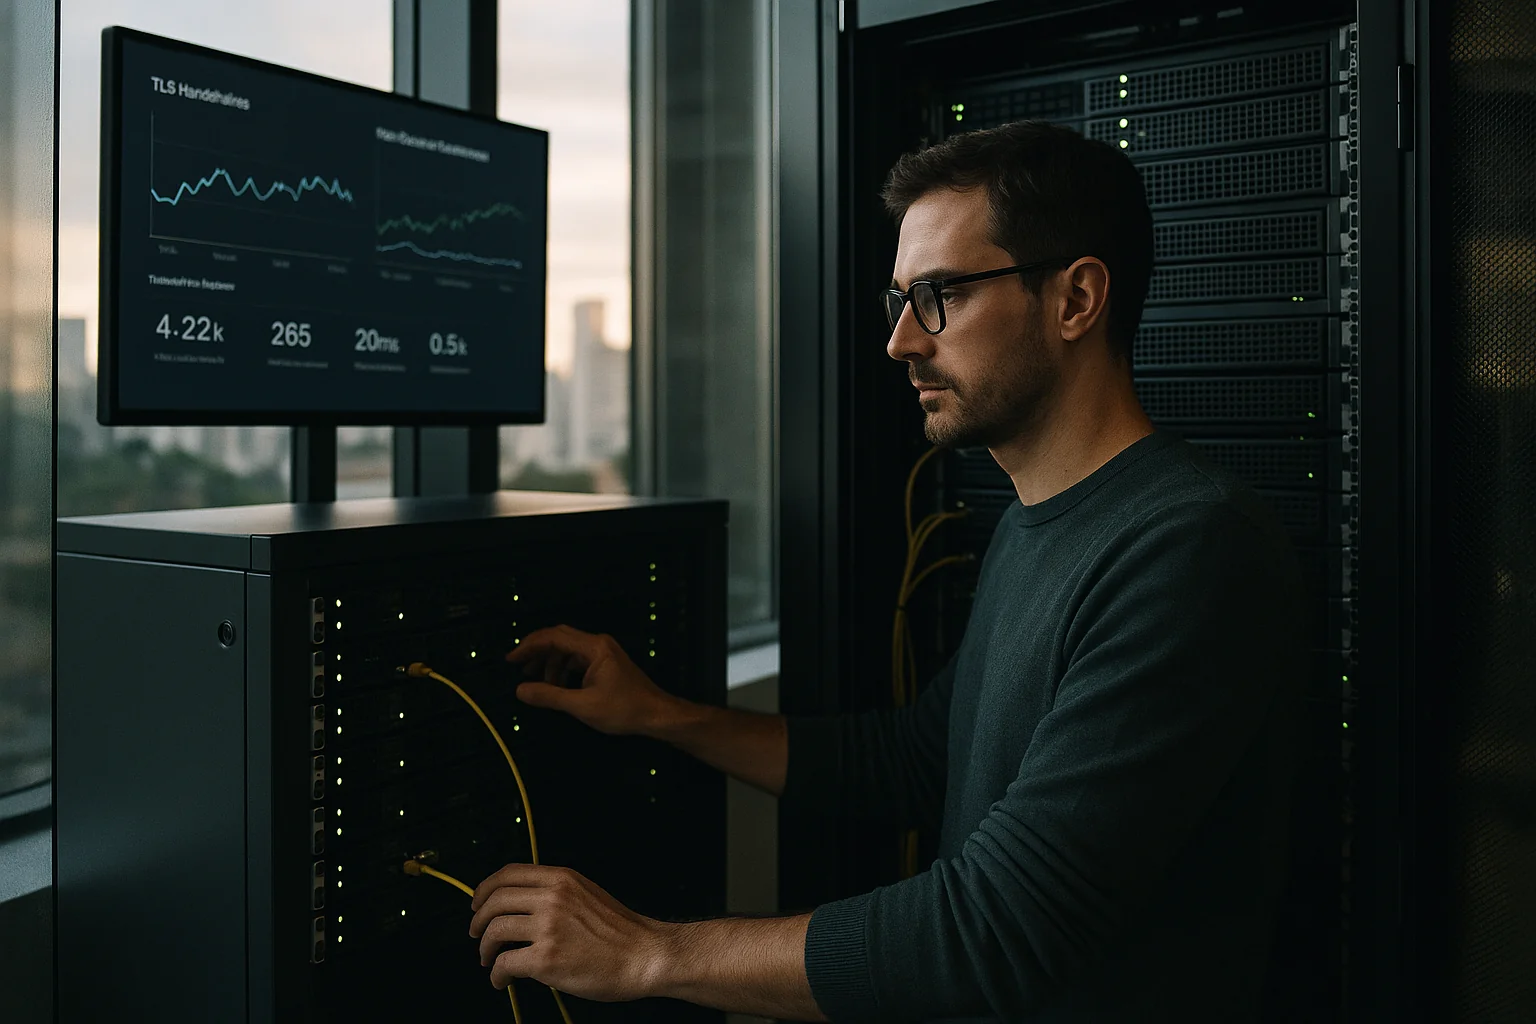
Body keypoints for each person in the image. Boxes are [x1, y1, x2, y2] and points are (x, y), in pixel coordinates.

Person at [467, 119, 1307, 1023]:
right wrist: (659, 715)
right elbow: (914, 759)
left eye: (940, 295)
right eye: (900, 300)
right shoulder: (1038, 523)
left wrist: (648, 953)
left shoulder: (1189, 551)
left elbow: (997, 930)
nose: (901, 341)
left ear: (1075, 300)